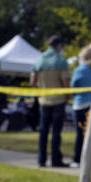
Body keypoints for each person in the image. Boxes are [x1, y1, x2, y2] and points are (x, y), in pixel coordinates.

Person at [30, 35, 70, 167]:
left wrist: (39, 93)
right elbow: (65, 83)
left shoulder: (39, 61)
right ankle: (55, 160)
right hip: (58, 101)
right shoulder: (61, 61)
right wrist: (67, 97)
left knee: (43, 132)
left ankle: (41, 160)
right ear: (58, 46)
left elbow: (32, 82)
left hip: (43, 101)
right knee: (56, 133)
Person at [70, 45, 91, 167]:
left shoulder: (79, 71)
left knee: (80, 133)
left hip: (80, 105)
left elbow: (73, 87)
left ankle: (77, 160)